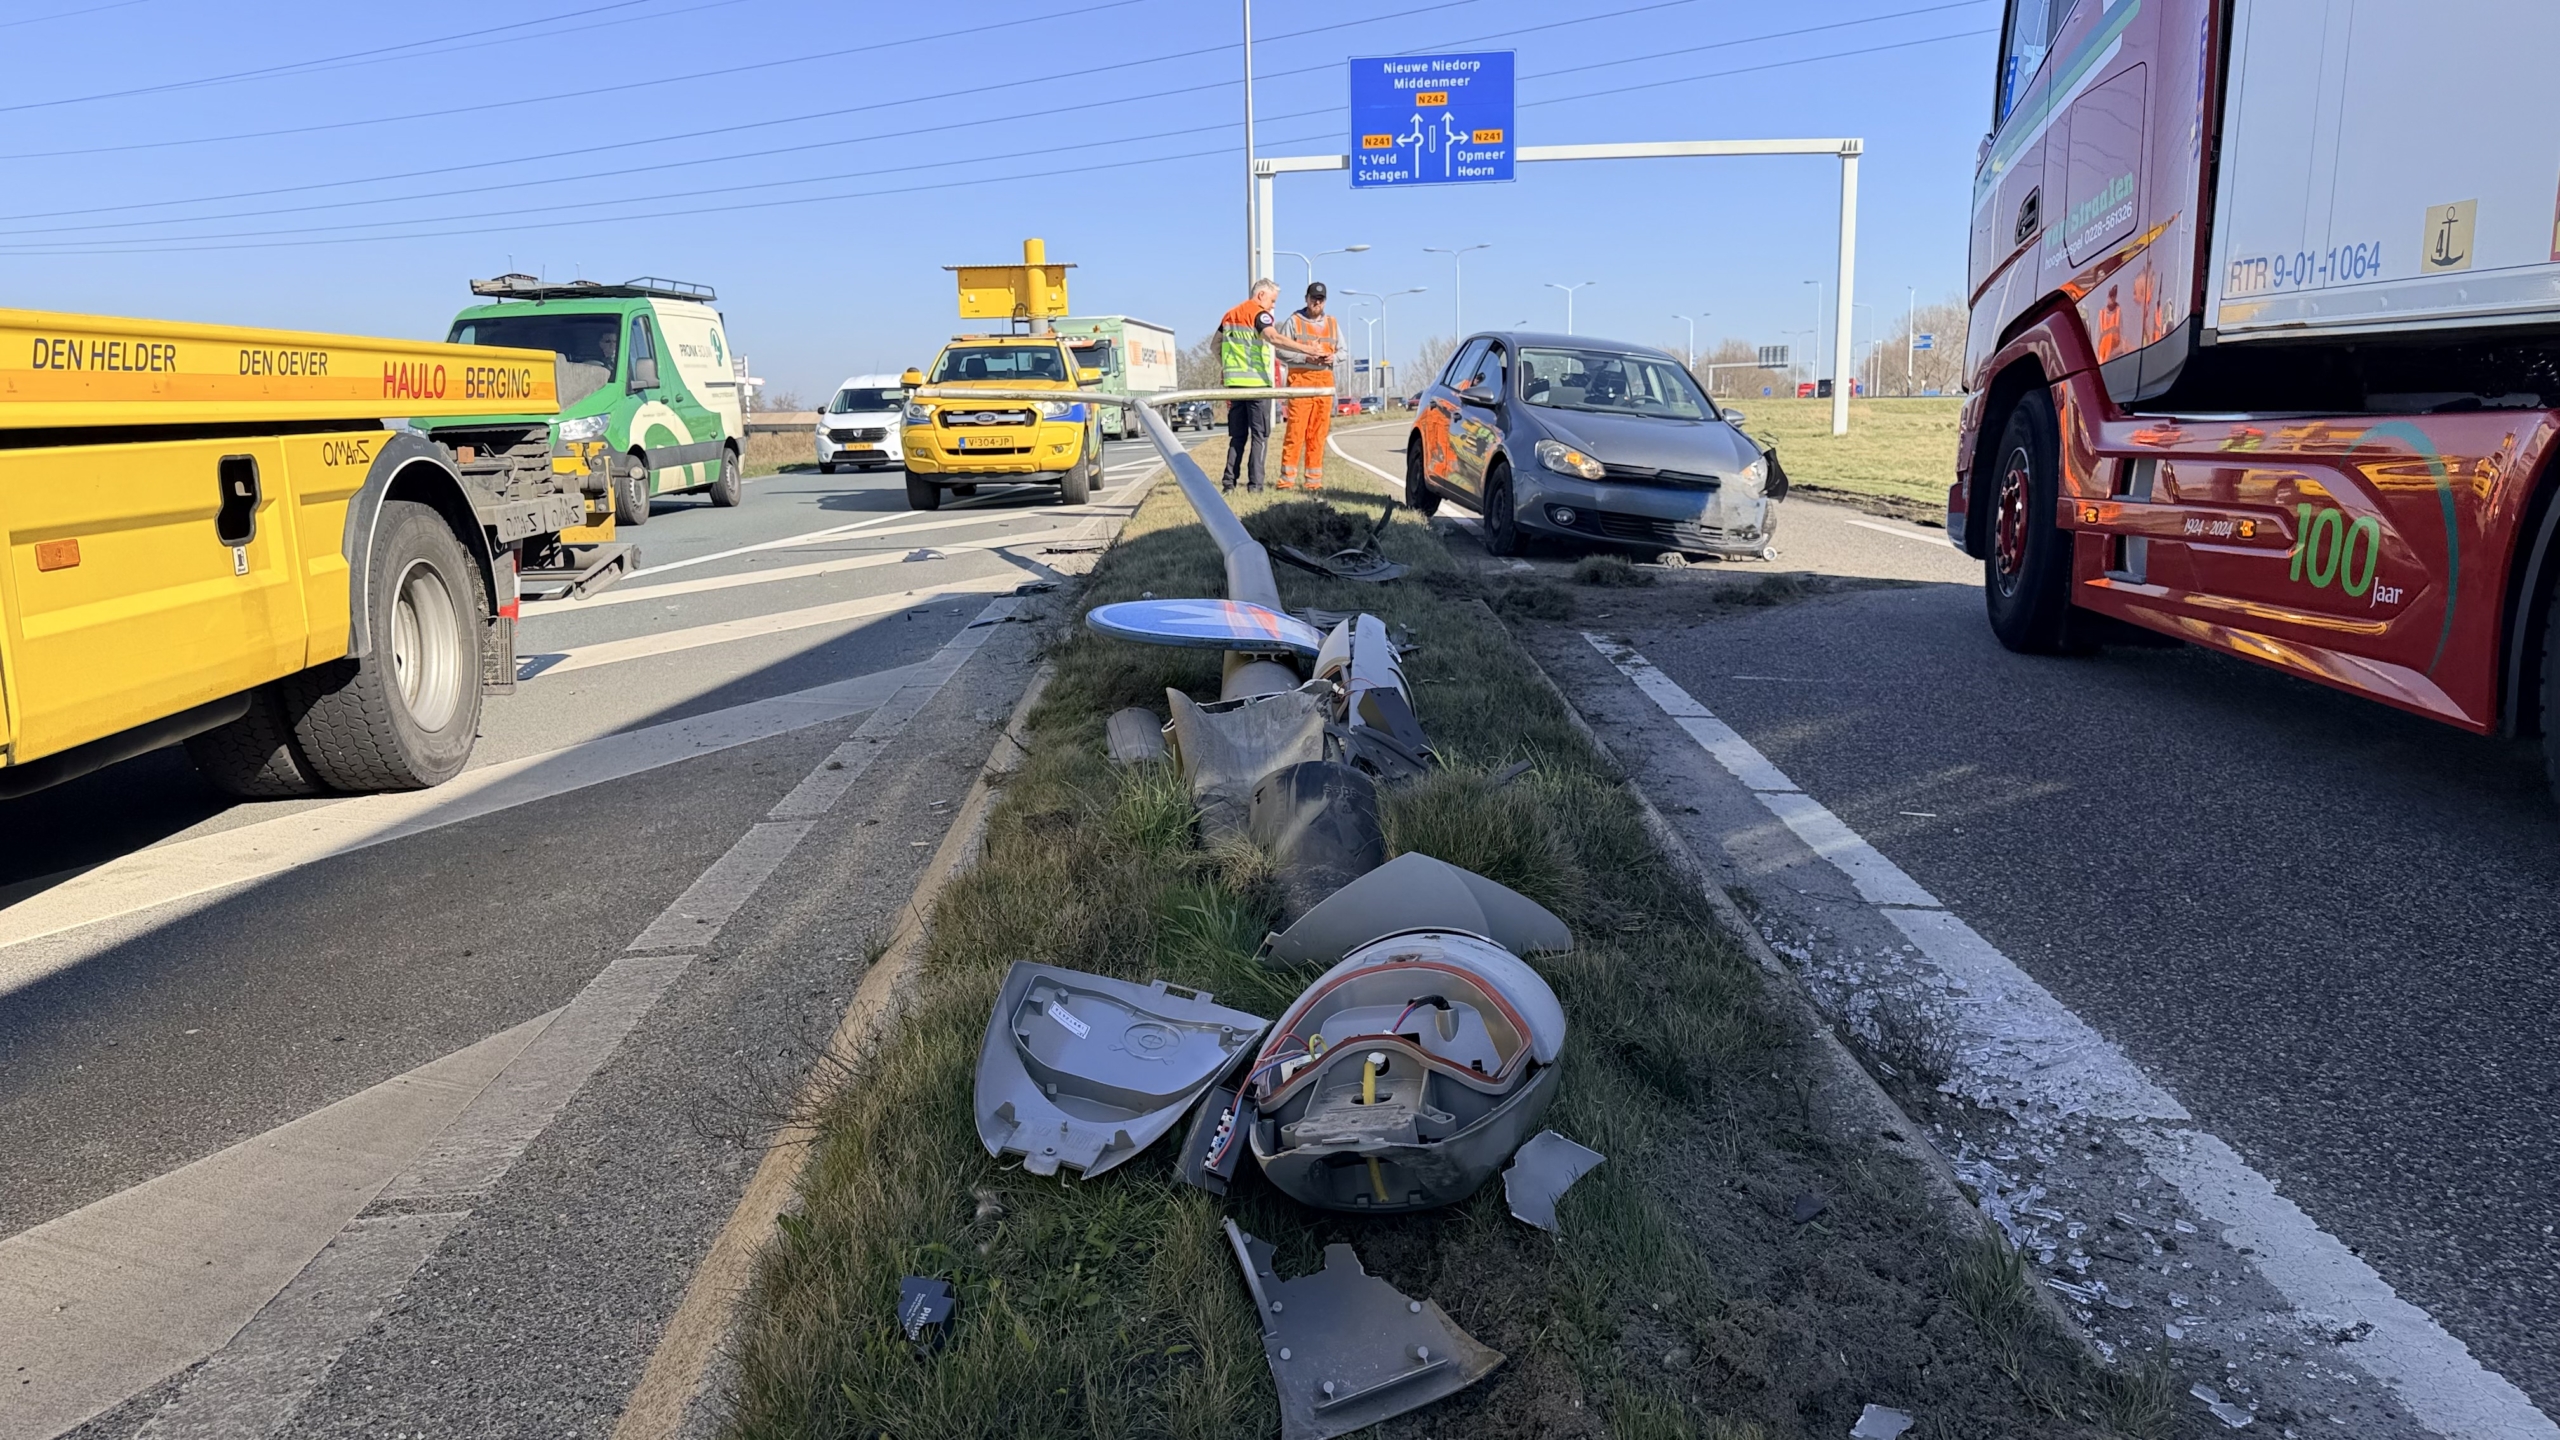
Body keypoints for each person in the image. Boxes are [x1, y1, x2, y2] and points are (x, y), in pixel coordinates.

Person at [1216, 279, 1324, 493]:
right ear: (1261, 295)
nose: (1273, 306)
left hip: (1235, 385)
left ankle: (1229, 484)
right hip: (1257, 385)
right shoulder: (1260, 314)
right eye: (1272, 300)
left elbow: (1214, 345)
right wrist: (1307, 350)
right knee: (1260, 436)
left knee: (1237, 437)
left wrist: (1226, 367)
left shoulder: (1230, 315)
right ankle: (1255, 486)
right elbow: (1274, 338)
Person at [1274, 281, 1341, 489]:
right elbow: (1280, 350)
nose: (1317, 303)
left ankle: (1313, 482)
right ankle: (1287, 480)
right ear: (1307, 299)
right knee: (1296, 432)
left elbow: (1344, 352)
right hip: (1301, 382)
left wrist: (1333, 358)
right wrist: (1305, 358)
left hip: (1324, 384)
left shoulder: (1332, 323)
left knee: (1318, 435)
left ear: (1325, 302)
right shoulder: (1294, 321)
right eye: (1313, 299)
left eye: (1320, 300)